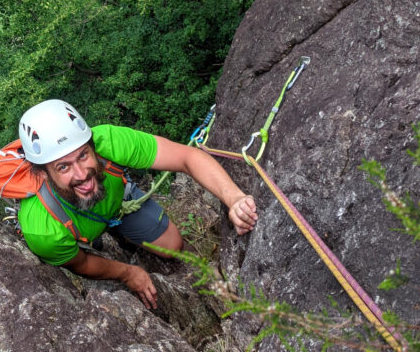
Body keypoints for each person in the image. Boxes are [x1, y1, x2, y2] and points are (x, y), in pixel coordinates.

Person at [16, 99, 258, 310]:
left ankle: (117, 226)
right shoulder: (43, 229)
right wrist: (128, 273)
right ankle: (100, 234)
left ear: (92, 145)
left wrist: (233, 198)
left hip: (118, 202)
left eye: (83, 155)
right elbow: (81, 262)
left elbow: (187, 157)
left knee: (172, 245)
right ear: (44, 174)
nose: (82, 174)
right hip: (77, 230)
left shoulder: (110, 142)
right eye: (63, 166)